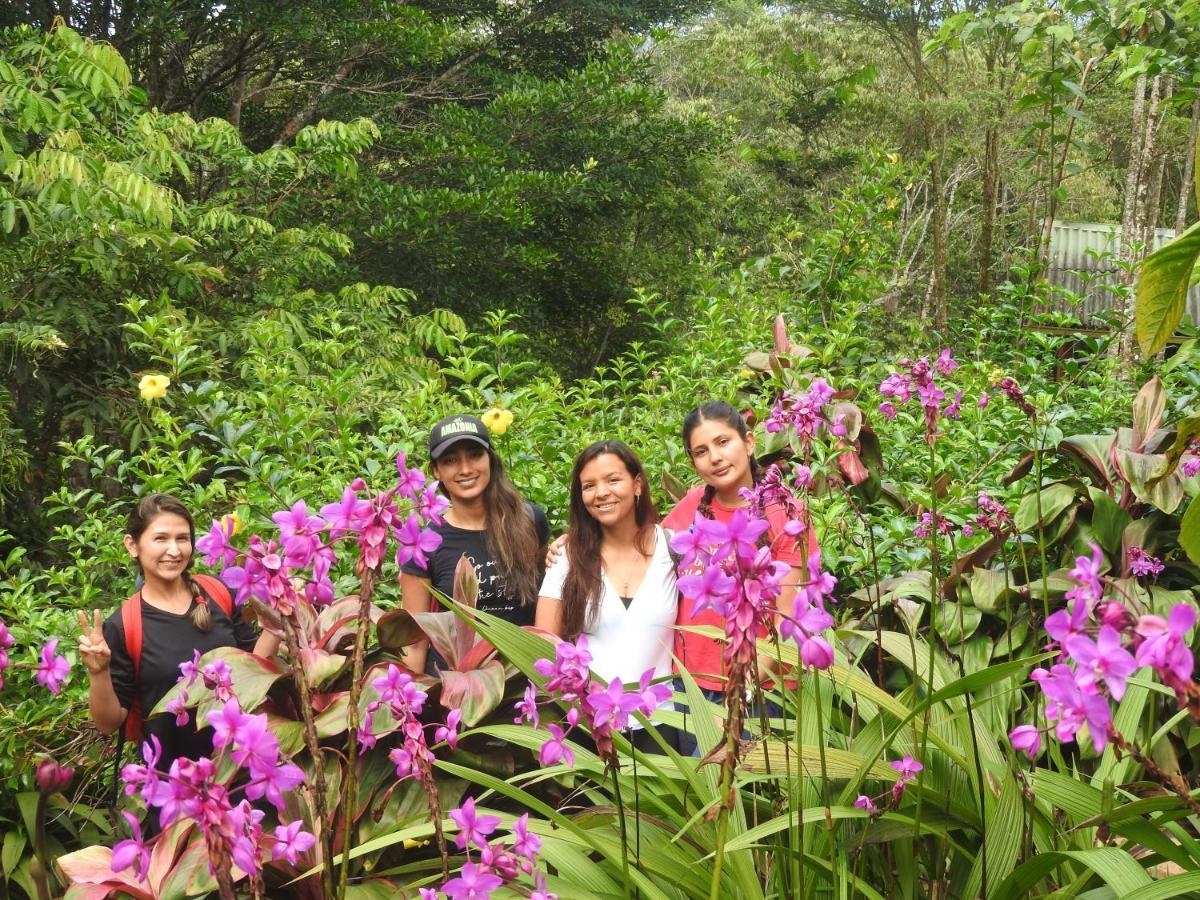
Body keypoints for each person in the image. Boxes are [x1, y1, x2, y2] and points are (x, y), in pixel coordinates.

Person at [77, 493, 279, 775]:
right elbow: (109, 723)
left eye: (182, 539)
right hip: (175, 787)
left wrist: (279, 617)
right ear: (132, 546)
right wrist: (98, 673)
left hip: (241, 772)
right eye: (160, 539)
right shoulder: (123, 625)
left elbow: (256, 667)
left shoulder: (218, 593)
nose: (174, 550)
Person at [662, 401, 816, 754]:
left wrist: (737, 700)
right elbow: (641, 549)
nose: (715, 457)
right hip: (692, 685)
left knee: (750, 802)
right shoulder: (691, 505)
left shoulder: (785, 512)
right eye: (701, 451)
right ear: (693, 463)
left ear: (748, 443)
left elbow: (784, 622)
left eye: (723, 442)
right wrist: (570, 543)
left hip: (761, 688)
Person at [535, 440, 677, 751]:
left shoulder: (674, 549)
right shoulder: (566, 559)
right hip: (593, 731)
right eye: (589, 485)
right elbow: (543, 644)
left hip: (664, 728)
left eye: (613, 480)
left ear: (637, 484)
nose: (601, 493)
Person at [400, 414, 550, 674]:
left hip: (522, 685)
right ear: (436, 471)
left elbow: (551, 599)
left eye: (474, 455)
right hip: (455, 692)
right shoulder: (424, 544)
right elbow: (415, 644)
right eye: (450, 461)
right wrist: (406, 708)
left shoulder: (529, 521)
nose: (465, 469)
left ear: (490, 458)